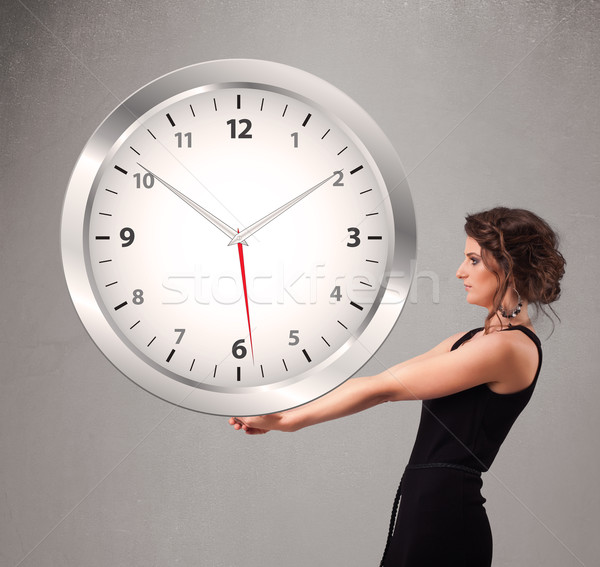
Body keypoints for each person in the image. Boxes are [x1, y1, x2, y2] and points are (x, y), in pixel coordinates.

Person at [228, 206, 566, 566]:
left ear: (509, 267)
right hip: (422, 509)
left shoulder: (508, 348)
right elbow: (375, 382)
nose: (459, 272)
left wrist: (286, 421)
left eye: (473, 260)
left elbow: (383, 389)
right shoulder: (469, 340)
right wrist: (283, 412)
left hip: (447, 519)